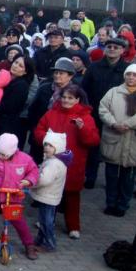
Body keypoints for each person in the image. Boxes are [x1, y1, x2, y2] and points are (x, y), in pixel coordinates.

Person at [33, 85, 100, 239]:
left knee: (71, 195)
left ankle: (73, 226)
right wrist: (47, 139)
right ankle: (46, 220)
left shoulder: (85, 117)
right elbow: (38, 131)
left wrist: (82, 128)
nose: (66, 100)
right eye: (64, 97)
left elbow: (93, 140)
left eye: (70, 98)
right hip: (52, 160)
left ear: (78, 99)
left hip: (73, 162)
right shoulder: (51, 113)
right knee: (49, 193)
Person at [98, 64, 136, 217]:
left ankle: (123, 204)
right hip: (114, 138)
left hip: (133, 141)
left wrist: (127, 125)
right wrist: (113, 123)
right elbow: (103, 109)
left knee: (128, 178)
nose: (131, 77)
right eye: (128, 74)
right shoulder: (113, 92)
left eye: (135, 75)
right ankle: (110, 203)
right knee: (111, 175)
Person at [80, 37, 128, 189]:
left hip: (116, 114)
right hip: (94, 112)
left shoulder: (127, 70)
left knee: (112, 147)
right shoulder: (94, 67)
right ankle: (90, 176)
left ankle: (111, 181)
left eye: (116, 47)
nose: (112, 49)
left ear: (122, 50)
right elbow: (83, 90)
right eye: (109, 46)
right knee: (93, 146)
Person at [32, 131, 69, 251]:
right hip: (50, 196)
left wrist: (31, 182)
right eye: (46, 144)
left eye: (51, 145)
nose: (46, 147)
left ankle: (49, 244)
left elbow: (43, 179)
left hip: (48, 197)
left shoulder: (53, 164)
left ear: (58, 148)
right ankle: (40, 240)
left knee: (46, 221)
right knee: (44, 220)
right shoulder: (53, 161)